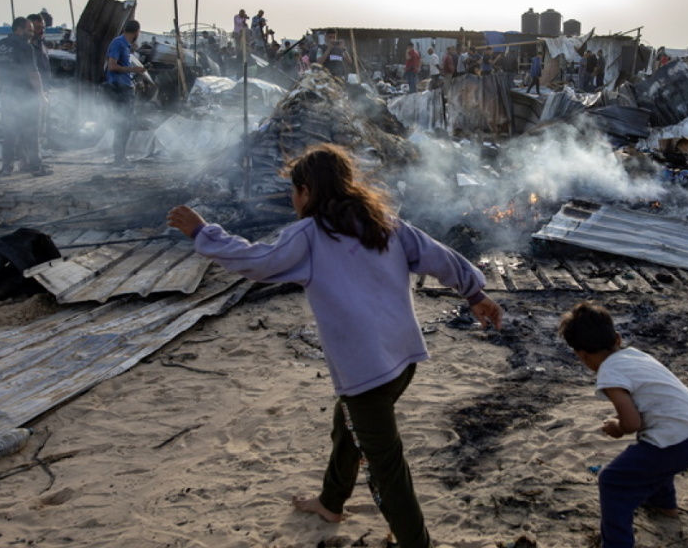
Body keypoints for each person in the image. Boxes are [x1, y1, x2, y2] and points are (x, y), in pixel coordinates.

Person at [166, 144, 503, 548]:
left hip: (367, 370)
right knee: (348, 424)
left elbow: (256, 261)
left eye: (293, 191)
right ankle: (330, 502)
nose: (292, 200)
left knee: (385, 467)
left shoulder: (309, 236)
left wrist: (202, 232)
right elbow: (438, 255)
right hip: (403, 358)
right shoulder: (383, 222)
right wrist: (474, 292)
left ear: (306, 191)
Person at [558, 301, 688, 548]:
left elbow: (631, 423)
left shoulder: (609, 373)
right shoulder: (637, 355)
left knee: (612, 480)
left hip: (677, 443)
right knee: (652, 453)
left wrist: (616, 427)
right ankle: (665, 506)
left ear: (581, 354)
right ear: (617, 338)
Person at [0, 16, 49, 176]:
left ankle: (6, 167)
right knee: (31, 132)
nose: (32, 33)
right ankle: (35, 166)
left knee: (9, 132)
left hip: (8, 96)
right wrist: (41, 95)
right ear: (19, 29)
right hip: (26, 96)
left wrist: (1, 91)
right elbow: (33, 73)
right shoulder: (26, 47)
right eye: (29, 30)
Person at [105, 19, 148, 167]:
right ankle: (119, 158)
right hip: (119, 87)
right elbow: (112, 66)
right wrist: (133, 69)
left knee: (126, 123)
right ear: (137, 32)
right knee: (122, 123)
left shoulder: (126, 45)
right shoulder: (118, 43)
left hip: (126, 86)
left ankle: (121, 156)